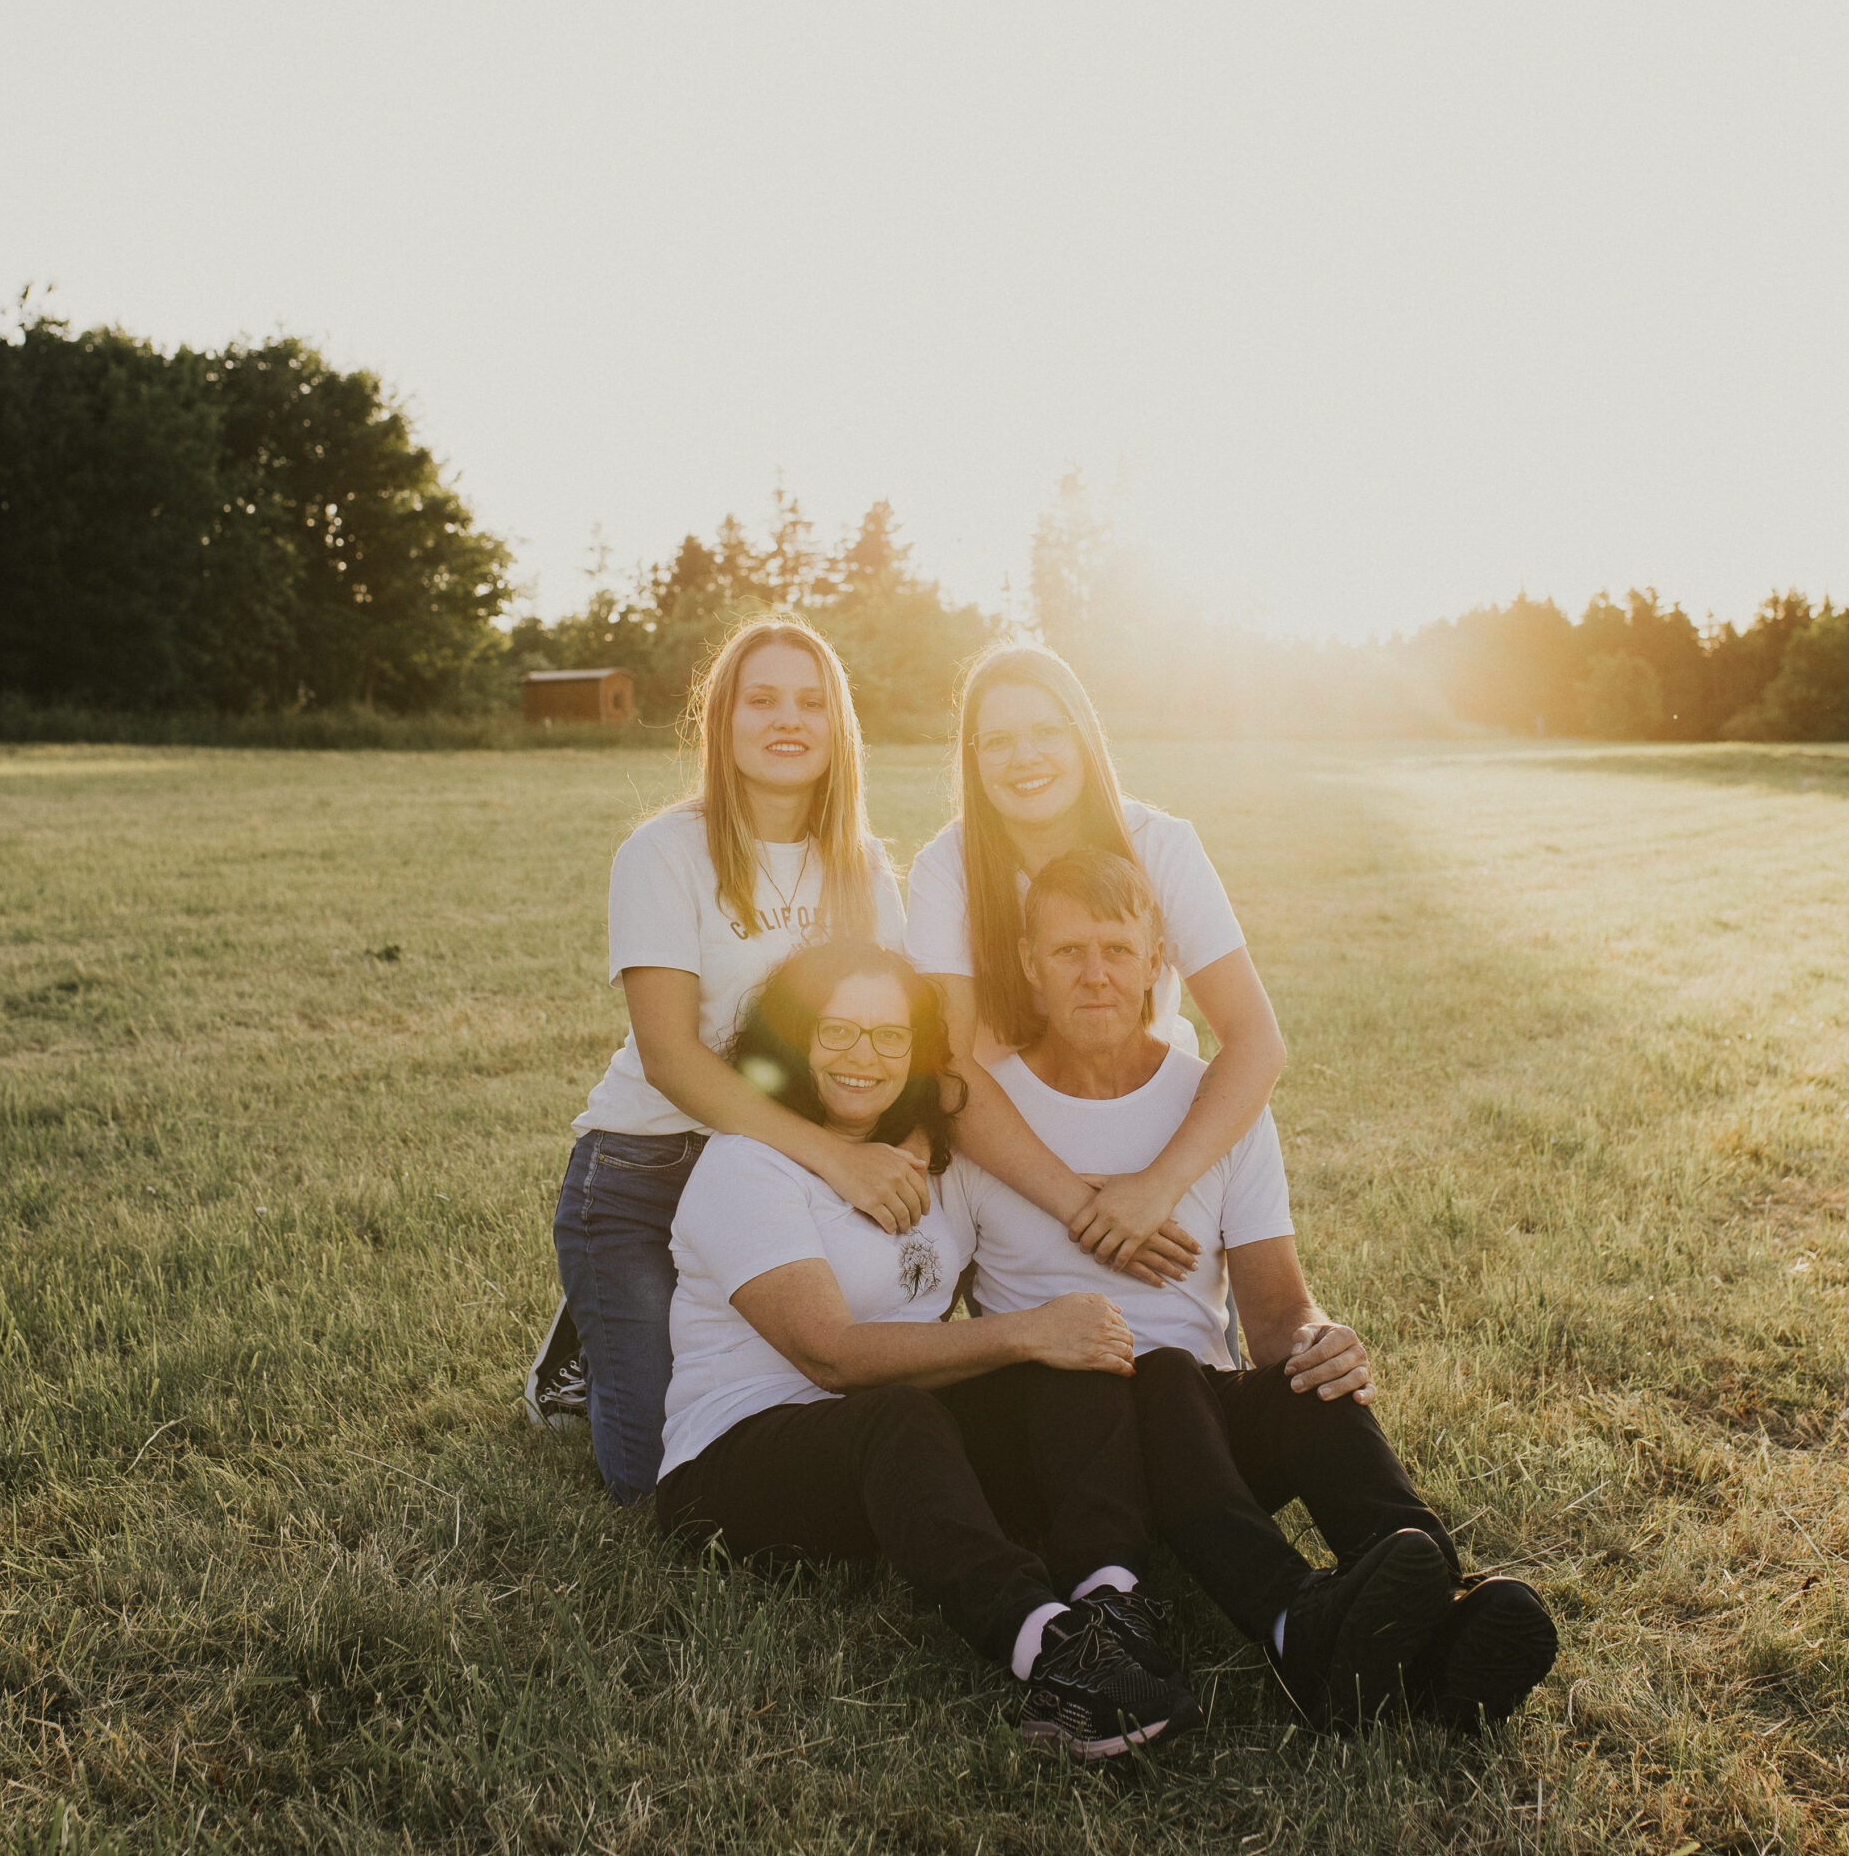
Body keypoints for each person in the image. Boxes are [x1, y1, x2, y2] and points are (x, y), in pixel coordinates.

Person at [951, 847, 1561, 1733]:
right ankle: (1286, 1620)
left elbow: (1276, 1311)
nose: (1094, 974)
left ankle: (1444, 1610)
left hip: (1200, 1439)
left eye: (1117, 950)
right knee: (1162, 1369)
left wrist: (1319, 1338)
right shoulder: (985, 1116)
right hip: (1063, 1455)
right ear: (1027, 966)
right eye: (1067, 951)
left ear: (1155, 961)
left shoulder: (1215, 1103)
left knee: (1305, 1381)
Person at [655, 936, 1202, 1760]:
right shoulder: (747, 1166)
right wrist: (1022, 1330)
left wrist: (1059, 1328)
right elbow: (829, 1356)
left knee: (1070, 1364)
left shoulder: (934, 1158)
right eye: (837, 1031)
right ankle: (1052, 1651)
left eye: (889, 1036)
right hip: (733, 1463)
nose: (863, 1057)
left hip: (886, 1438)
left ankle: (1110, 1599)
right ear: (793, 1038)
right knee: (913, 1407)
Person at [527, 618, 929, 1504]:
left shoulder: (861, 866)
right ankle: (585, 1342)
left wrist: (903, 1149)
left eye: (811, 702)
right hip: (646, 1173)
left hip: (777, 1184)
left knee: (797, 1409)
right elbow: (670, 1059)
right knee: (655, 1481)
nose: (788, 720)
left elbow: (898, 1030)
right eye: (762, 699)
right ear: (722, 719)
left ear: (838, 727)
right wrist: (839, 1161)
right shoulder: (663, 853)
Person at [905, 643, 1288, 1287]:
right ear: (973, 759)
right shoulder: (946, 867)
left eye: (1047, 731)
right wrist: (1088, 1212)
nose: (1025, 757)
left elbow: (1256, 1041)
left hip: (1147, 1126)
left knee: (1190, 1326)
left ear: (1083, 736)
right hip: (1003, 1140)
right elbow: (949, 1064)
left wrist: (1157, 1187)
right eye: (997, 741)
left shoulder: (1160, 845)